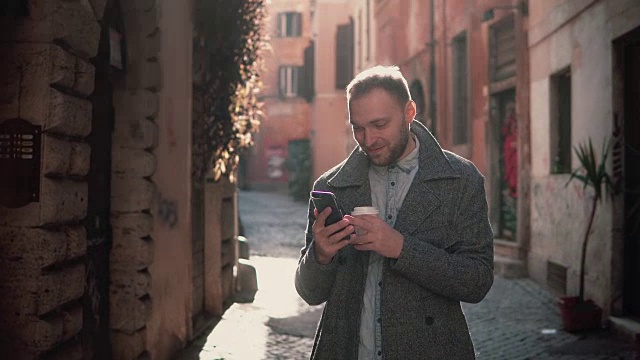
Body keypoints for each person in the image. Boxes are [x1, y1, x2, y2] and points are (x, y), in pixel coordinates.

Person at [295, 65, 494, 359]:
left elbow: (477, 281)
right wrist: (320, 256)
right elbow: (310, 293)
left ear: (409, 112)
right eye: (358, 128)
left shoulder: (461, 180)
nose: (368, 139)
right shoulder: (331, 186)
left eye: (379, 124)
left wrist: (401, 248)